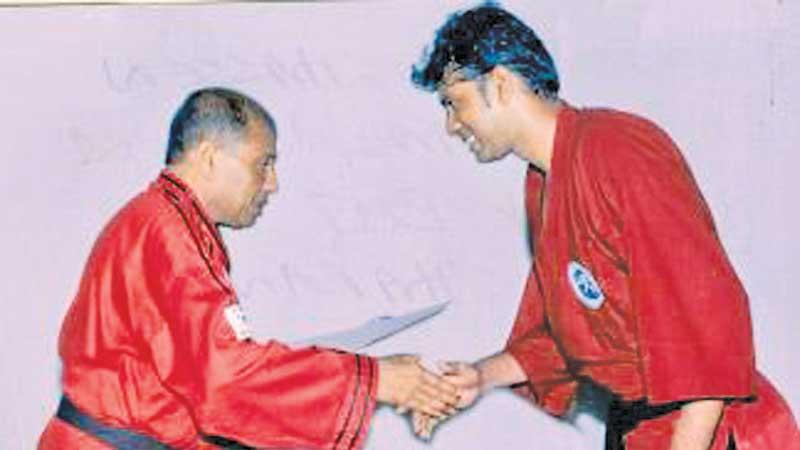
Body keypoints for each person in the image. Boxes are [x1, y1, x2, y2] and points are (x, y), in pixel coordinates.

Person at [408, 4, 800, 450]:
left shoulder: (619, 150)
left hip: (706, 431)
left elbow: (708, 329)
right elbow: (570, 338)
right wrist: (480, 377)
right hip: (638, 427)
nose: (451, 125)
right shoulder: (543, 182)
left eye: (454, 103)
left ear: (499, 83)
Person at [37, 87, 459, 450]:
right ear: (210, 156)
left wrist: (370, 381)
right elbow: (224, 381)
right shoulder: (169, 233)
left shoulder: (161, 221)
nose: (272, 183)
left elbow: (200, 378)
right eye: (263, 163)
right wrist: (373, 380)